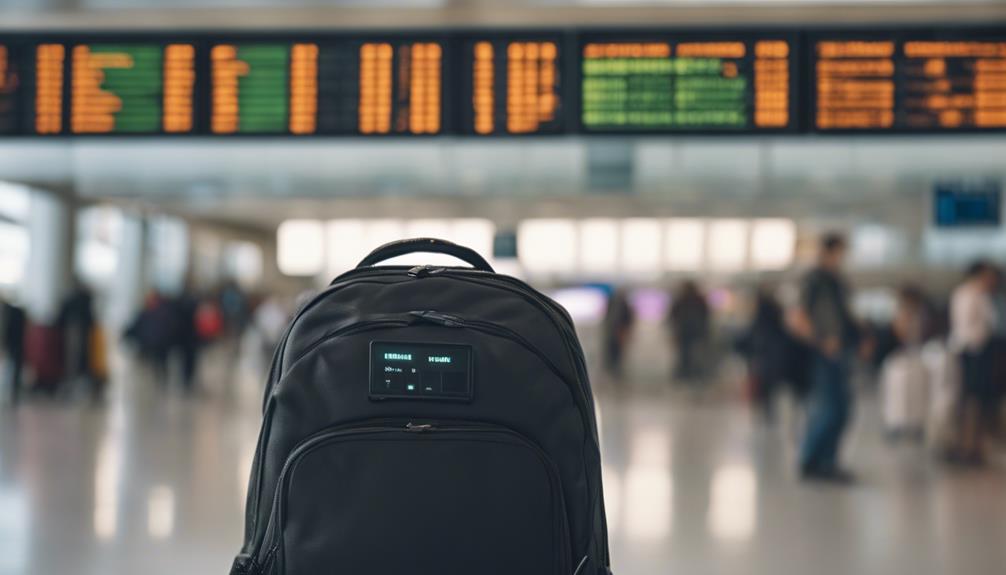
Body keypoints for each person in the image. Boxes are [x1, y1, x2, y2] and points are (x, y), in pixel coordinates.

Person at [792, 233, 859, 483]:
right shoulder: (814, 281)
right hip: (824, 352)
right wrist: (821, 342)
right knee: (829, 408)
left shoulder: (836, 281)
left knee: (841, 409)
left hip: (840, 350)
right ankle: (811, 460)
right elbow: (799, 317)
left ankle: (828, 461)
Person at [948, 260, 999, 465]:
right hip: (971, 351)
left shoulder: (982, 294)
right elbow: (968, 325)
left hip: (980, 350)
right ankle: (966, 446)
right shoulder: (968, 294)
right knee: (971, 400)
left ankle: (975, 446)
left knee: (979, 400)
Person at [736, 286, 791, 423]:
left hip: (761, 353)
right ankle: (769, 411)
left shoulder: (760, 315)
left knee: (761, 383)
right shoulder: (776, 312)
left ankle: (763, 410)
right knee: (769, 385)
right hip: (772, 353)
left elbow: (753, 334)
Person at [667, 280, 710, 384]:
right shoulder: (698, 300)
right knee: (691, 354)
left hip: (686, 332)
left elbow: (673, 316)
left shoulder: (682, 300)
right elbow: (706, 316)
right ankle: (691, 374)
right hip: (694, 332)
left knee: (686, 354)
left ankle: (687, 374)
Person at [58, 280, 96, 392]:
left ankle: (74, 380)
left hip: (75, 331)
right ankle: (73, 380)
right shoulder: (83, 300)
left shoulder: (76, 299)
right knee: (74, 358)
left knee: (74, 358)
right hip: (75, 331)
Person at [601, 288, 635, 381]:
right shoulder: (614, 304)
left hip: (617, 333)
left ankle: (615, 374)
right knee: (612, 354)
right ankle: (611, 373)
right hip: (613, 333)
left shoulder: (622, 306)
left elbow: (627, 321)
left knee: (616, 355)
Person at [1, 296, 26, 404]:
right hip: (7, 344)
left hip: (14, 345)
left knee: (12, 370)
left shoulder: (16, 312)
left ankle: (12, 395)